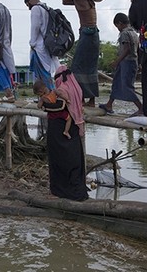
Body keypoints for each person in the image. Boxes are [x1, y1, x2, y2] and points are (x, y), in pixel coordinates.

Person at [55, 0, 99, 107]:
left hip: (87, 34)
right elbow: (67, 3)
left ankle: (81, 99)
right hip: (93, 34)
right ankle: (90, 100)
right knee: (90, 66)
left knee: (78, 67)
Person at [41, 65, 88, 201]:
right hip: (73, 127)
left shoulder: (61, 89)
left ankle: (60, 190)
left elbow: (54, 106)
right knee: (74, 160)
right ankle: (77, 191)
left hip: (58, 128)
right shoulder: (76, 88)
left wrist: (45, 103)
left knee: (59, 160)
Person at [98, 13, 143, 116]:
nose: (117, 28)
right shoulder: (134, 34)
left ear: (120, 23)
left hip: (128, 62)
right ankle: (109, 104)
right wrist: (139, 63)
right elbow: (138, 50)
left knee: (127, 86)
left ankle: (141, 107)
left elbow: (127, 50)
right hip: (129, 62)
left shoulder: (125, 34)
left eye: (117, 26)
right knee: (117, 83)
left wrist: (116, 62)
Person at [25, 0, 60, 91]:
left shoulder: (35, 8)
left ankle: (50, 93)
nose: (28, 6)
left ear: (29, 0)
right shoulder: (46, 7)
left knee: (43, 72)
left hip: (40, 46)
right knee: (49, 70)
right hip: (49, 44)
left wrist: (32, 43)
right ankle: (49, 93)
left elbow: (35, 26)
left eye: (27, 3)